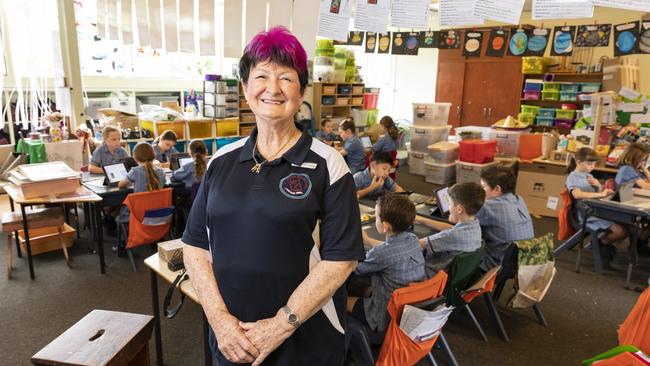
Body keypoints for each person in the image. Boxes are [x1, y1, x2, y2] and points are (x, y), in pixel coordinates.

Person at [181, 26, 365, 366]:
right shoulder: (221, 162)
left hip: (305, 340)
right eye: (261, 76)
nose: (273, 88)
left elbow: (341, 261)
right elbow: (194, 247)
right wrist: (220, 321)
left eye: (286, 78)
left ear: (303, 89)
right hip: (232, 339)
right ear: (245, 88)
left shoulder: (329, 165)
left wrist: (280, 325)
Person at [347, 194, 426, 334]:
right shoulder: (413, 239)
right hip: (407, 310)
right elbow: (394, 250)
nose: (375, 219)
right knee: (363, 286)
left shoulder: (381, 253)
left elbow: (353, 268)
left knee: (338, 301)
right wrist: (369, 240)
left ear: (385, 226)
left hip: (383, 317)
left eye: (376, 217)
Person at [567, 147, 629, 254]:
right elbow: (577, 195)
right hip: (586, 215)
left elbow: (596, 196)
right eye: (589, 164)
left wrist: (599, 187)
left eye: (594, 164)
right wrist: (601, 193)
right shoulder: (573, 177)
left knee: (628, 225)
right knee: (621, 230)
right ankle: (600, 244)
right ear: (578, 162)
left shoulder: (589, 175)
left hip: (595, 210)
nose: (592, 167)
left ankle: (603, 245)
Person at [416, 182, 485, 274]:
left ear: (459, 209)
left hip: (433, 275)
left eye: (449, 204)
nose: (448, 208)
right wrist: (421, 220)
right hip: (458, 276)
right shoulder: (475, 224)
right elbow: (451, 228)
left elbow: (419, 244)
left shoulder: (452, 236)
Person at [477, 164, 534, 270]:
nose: (481, 191)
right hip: (523, 262)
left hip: (496, 264)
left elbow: (462, 218)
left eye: (483, 187)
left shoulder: (488, 207)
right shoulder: (519, 199)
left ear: (497, 189)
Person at [115, 142, 165, 254]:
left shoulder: (135, 171)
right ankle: (153, 239)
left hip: (138, 214)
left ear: (135, 157)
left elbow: (121, 185)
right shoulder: (161, 172)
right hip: (158, 213)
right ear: (154, 156)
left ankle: (122, 245)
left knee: (118, 215)